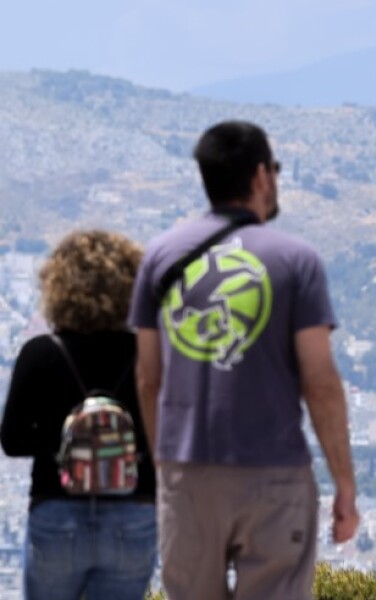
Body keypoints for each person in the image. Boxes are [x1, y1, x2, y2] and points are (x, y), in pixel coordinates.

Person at [128, 121, 359, 600]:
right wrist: (344, 483)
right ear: (260, 176)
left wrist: (166, 467)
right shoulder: (296, 260)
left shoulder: (160, 256)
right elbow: (319, 383)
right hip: (273, 472)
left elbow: (149, 378)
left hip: (187, 470)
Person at [1, 230, 156, 600]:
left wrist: (65, 442)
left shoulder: (40, 353)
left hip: (57, 509)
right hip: (131, 512)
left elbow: (12, 440)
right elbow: (164, 435)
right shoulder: (146, 354)